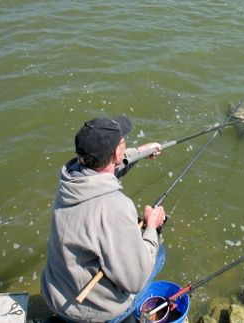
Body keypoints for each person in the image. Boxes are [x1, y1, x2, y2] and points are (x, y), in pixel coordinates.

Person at [41, 116, 166, 322]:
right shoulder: (114, 206)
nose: (125, 141)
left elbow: (106, 172)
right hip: (87, 312)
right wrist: (152, 227)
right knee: (158, 254)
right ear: (116, 152)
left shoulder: (70, 180)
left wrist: (140, 152)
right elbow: (134, 280)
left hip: (55, 294)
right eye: (122, 140)